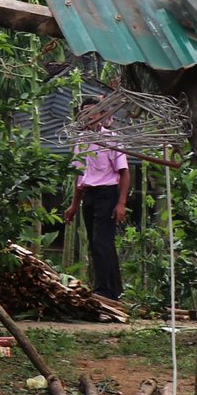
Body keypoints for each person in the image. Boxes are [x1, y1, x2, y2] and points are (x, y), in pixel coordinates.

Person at [64, 97, 129, 303]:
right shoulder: (80, 141)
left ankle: (105, 291)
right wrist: (74, 204)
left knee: (103, 242)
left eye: (94, 112)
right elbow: (79, 174)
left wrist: (121, 203)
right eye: (86, 113)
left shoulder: (111, 138)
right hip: (89, 194)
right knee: (96, 242)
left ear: (101, 115)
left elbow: (125, 173)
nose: (90, 116)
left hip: (107, 194)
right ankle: (111, 289)